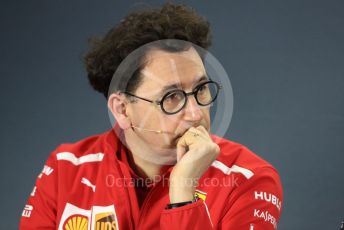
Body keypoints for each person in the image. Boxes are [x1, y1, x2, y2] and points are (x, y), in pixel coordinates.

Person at [20, 3, 283, 229]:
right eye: (172, 97)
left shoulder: (249, 179)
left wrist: (183, 193)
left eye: (201, 89)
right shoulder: (66, 167)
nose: (195, 113)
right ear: (122, 110)